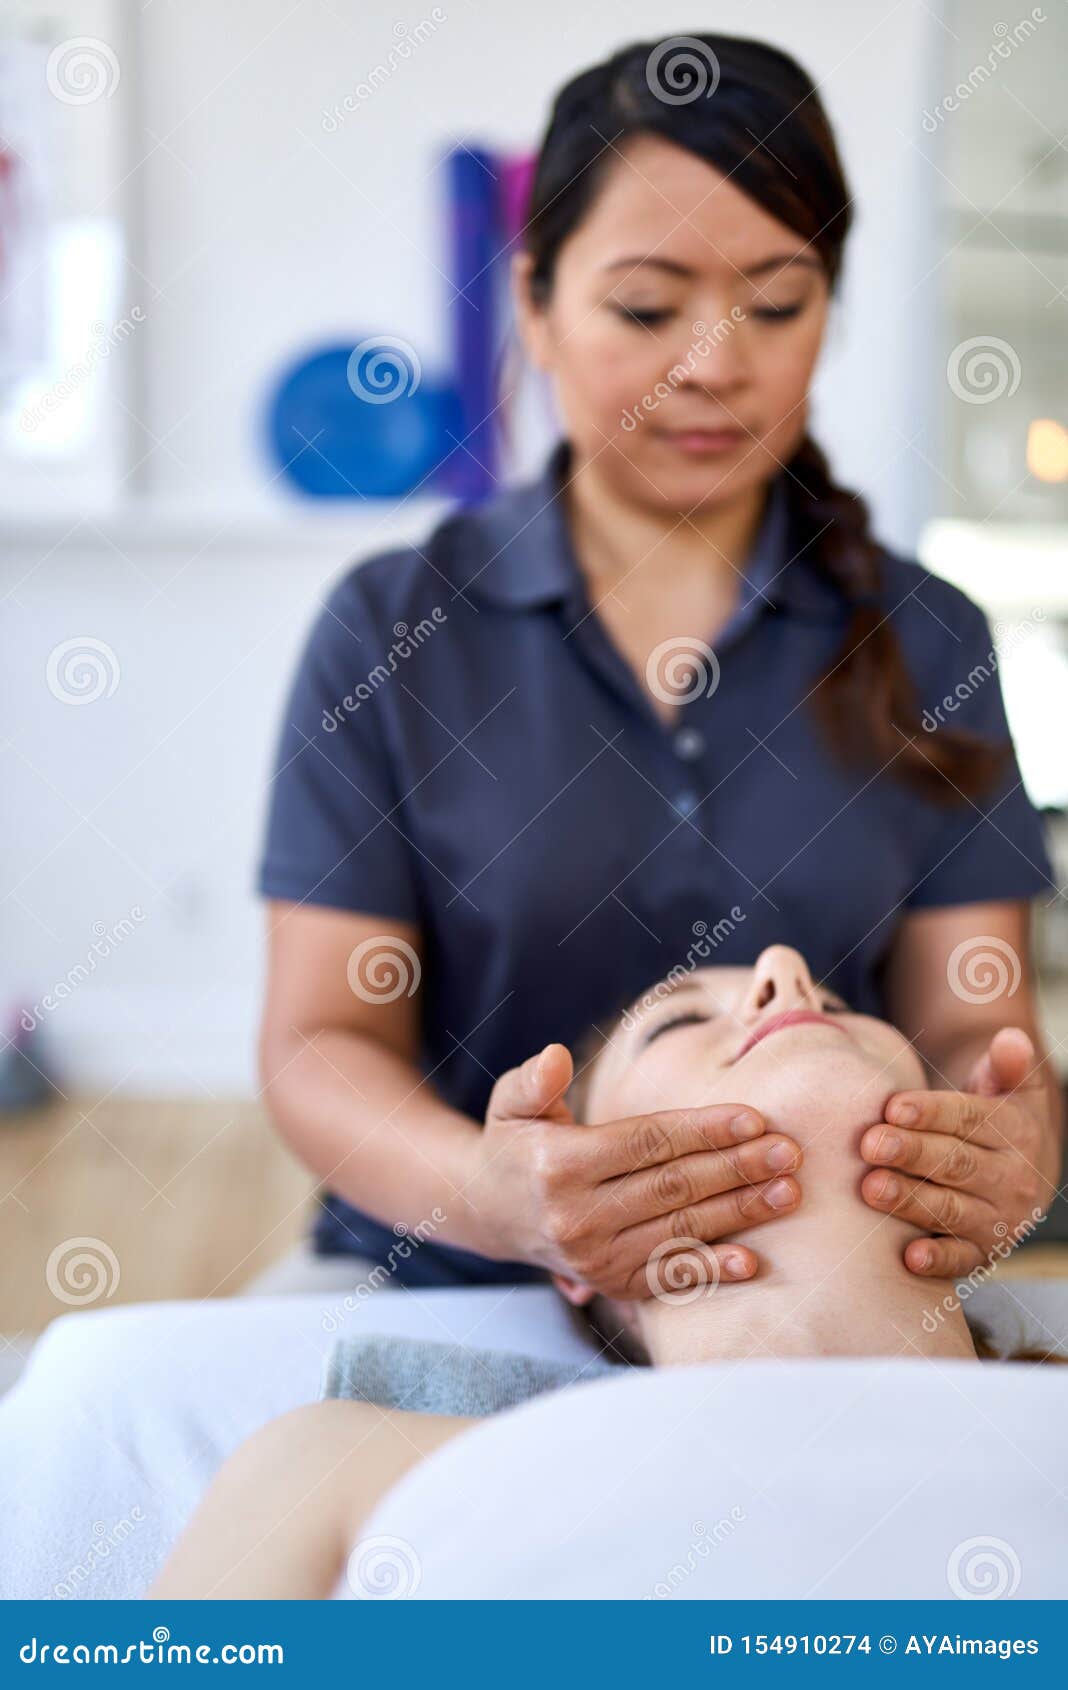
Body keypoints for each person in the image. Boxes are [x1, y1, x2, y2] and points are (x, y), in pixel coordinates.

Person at [254, 32, 1060, 1306]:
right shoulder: (394, 626)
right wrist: (499, 1200)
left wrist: (1008, 1138)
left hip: (820, 1282)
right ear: (535, 301)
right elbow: (319, 1042)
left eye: (777, 303)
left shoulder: (933, 635)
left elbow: (974, 1018)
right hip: (449, 1280)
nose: (713, 364)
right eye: (646, 305)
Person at [151, 948, 1060, 1601]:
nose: (784, 967)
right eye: (680, 1018)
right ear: (571, 1242)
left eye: (832, 998)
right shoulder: (333, 1467)